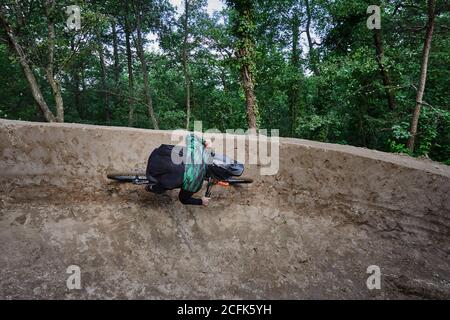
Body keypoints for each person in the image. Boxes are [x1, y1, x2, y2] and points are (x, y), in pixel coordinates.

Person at [145, 134, 212, 206]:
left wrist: (204, 142)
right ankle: (151, 188)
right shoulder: (195, 185)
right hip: (153, 172)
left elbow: (190, 136)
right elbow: (183, 199)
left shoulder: (199, 152)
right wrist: (201, 201)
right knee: (165, 185)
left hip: (159, 153)